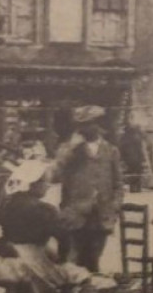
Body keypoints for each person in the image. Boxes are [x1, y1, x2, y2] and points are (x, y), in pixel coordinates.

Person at [0, 159, 91, 293]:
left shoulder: (8, 204)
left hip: (3, 259)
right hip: (29, 261)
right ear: (33, 184)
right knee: (70, 275)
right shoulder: (44, 209)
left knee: (49, 269)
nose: (47, 187)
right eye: (45, 183)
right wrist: (62, 258)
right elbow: (64, 238)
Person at [51, 105, 126, 273]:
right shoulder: (69, 149)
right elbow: (55, 174)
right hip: (75, 215)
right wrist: (71, 147)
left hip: (101, 216)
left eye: (88, 124)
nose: (83, 129)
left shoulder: (111, 151)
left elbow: (118, 184)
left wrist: (115, 205)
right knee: (71, 263)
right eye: (80, 125)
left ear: (98, 125)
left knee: (94, 260)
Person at [117, 119, 151, 193]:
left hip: (129, 158)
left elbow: (121, 148)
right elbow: (140, 148)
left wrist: (122, 158)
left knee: (132, 172)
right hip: (136, 158)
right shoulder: (136, 137)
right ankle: (137, 187)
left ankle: (133, 187)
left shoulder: (124, 138)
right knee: (137, 171)